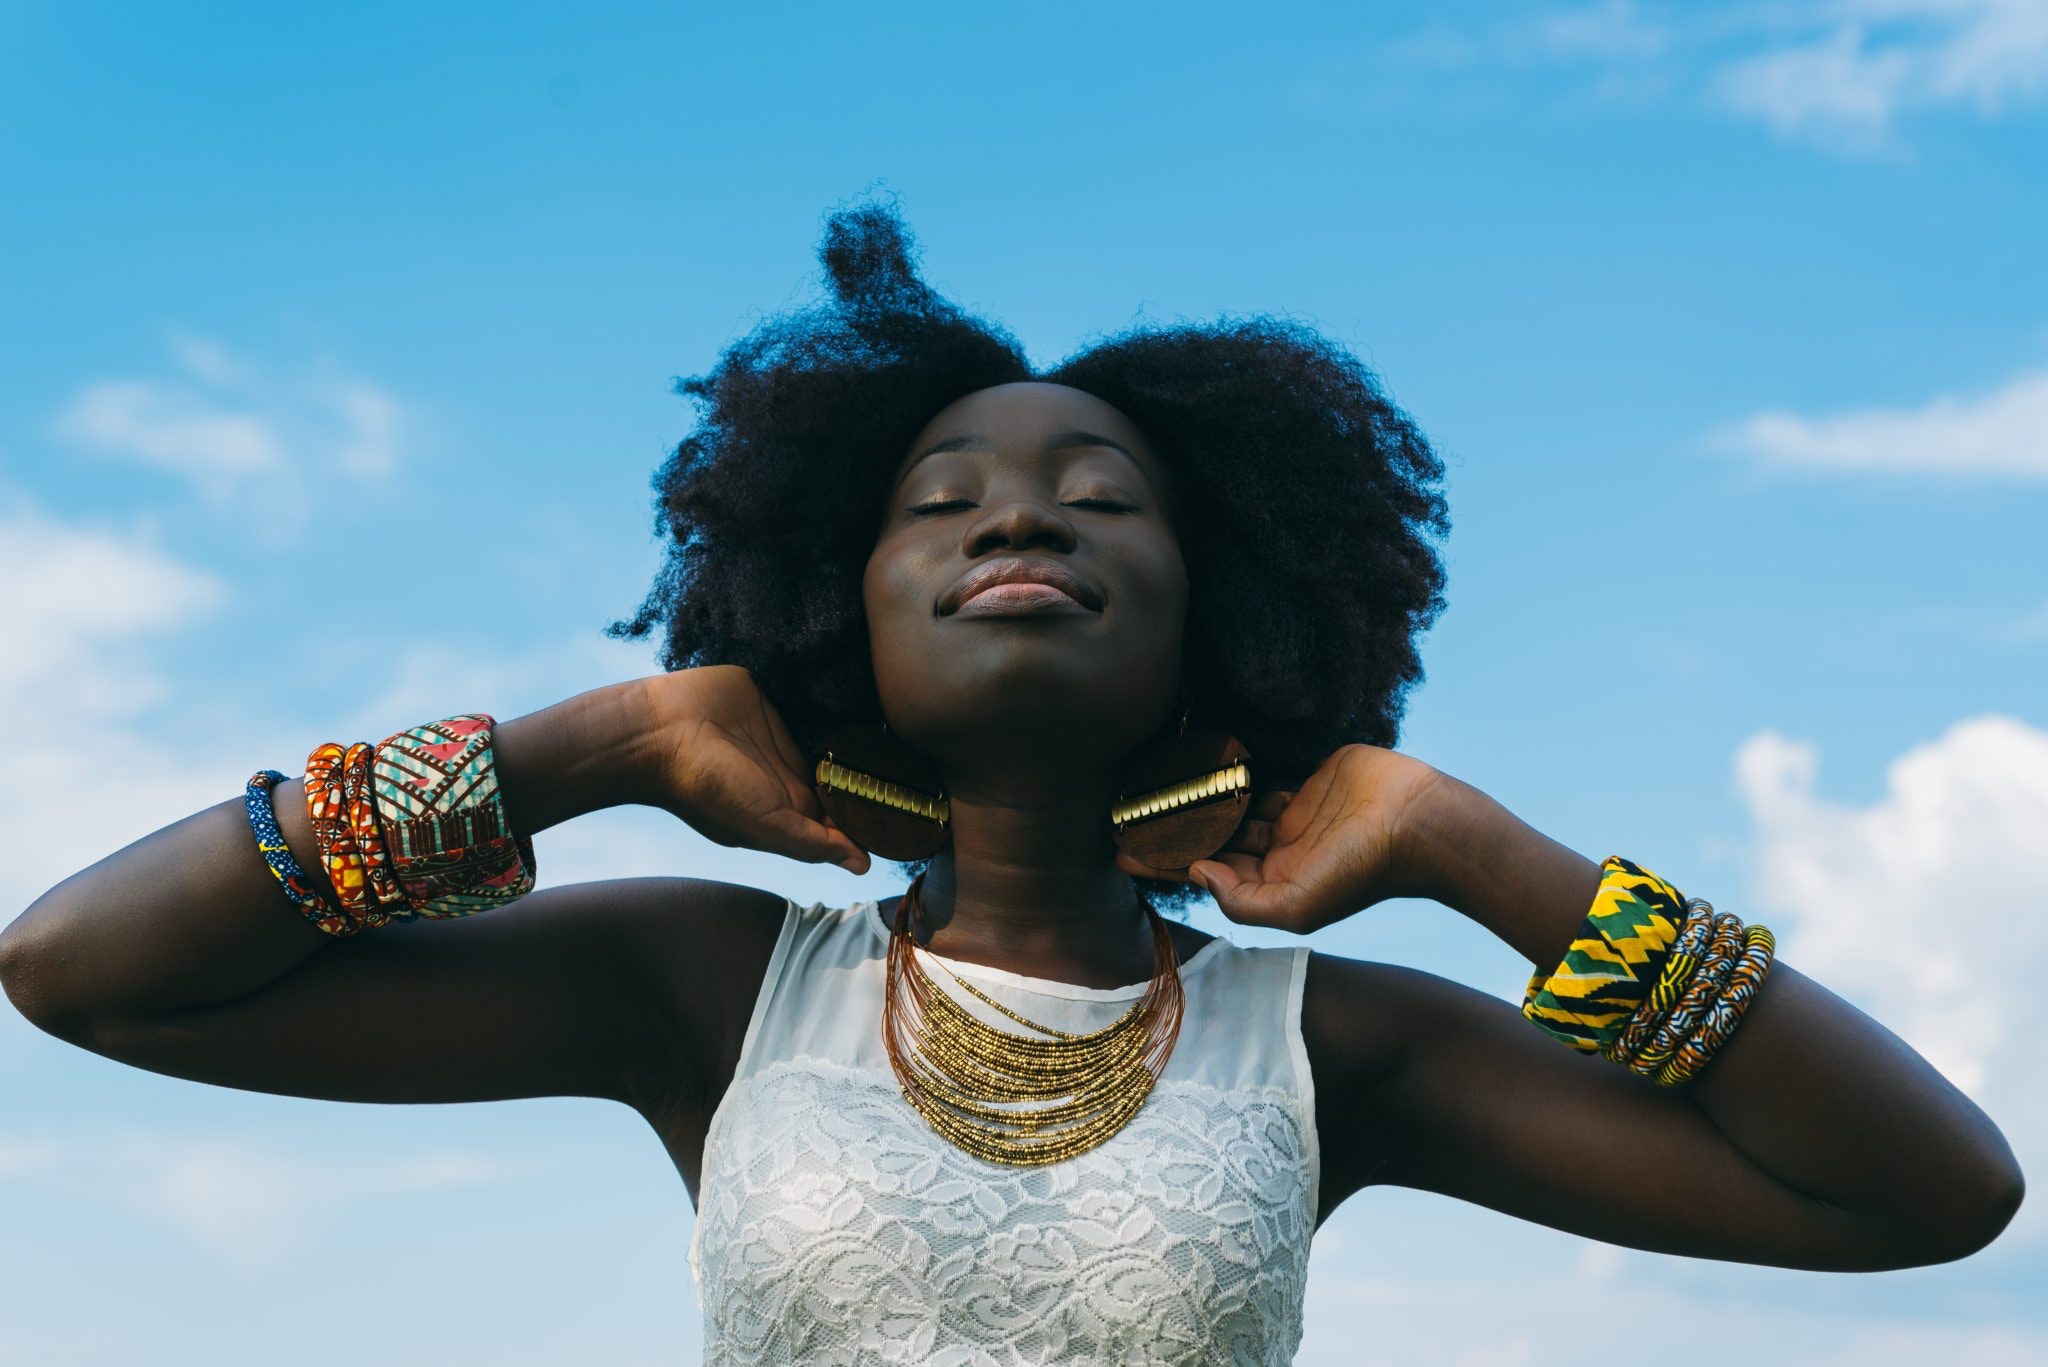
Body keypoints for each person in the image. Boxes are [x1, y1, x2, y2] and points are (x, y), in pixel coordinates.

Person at [0, 200, 2024, 1366]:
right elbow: (86, 968)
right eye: (937, 501)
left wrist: (1478, 855)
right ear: (835, 608)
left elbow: (1927, 1198)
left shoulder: (1328, 1048)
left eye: (1097, 495)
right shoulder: (713, 992)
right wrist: (588, 747)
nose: (1013, 522)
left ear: (1215, 613)